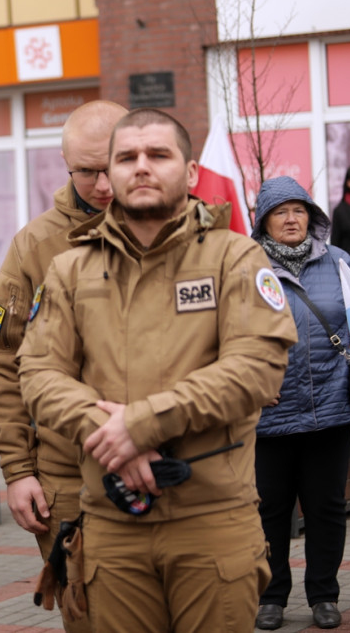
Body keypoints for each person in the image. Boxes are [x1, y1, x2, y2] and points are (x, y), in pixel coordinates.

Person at [17, 108, 298, 632]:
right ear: (111, 171)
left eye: (158, 155)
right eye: (126, 158)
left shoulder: (235, 258)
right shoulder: (71, 268)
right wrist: (108, 431)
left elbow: (256, 367)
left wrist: (142, 424)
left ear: (189, 173)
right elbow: (36, 372)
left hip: (211, 520)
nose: (140, 167)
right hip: (111, 527)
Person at [0, 100, 126, 629]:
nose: (104, 184)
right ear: (66, 166)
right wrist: (17, 471)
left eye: (116, 165)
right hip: (68, 475)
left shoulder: (189, 239)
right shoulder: (34, 247)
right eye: (88, 171)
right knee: (88, 615)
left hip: (172, 464)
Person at [250, 175, 350, 630]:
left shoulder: (338, 262)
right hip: (269, 415)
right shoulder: (245, 268)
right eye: (281, 212)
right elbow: (225, 332)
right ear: (264, 221)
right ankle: (271, 596)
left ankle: (324, 594)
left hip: (331, 412)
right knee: (270, 512)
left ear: (312, 217)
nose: (291, 219)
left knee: (325, 509)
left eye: (299, 210)